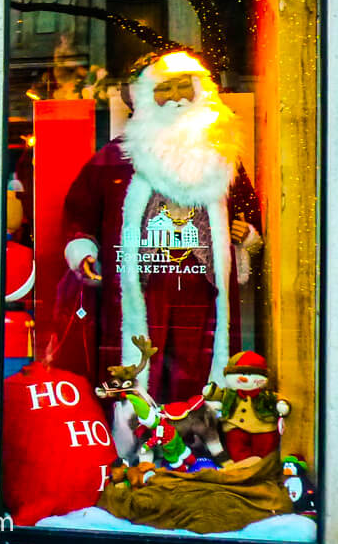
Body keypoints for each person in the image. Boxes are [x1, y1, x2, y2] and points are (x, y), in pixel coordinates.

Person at [61, 50, 263, 403]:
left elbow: (246, 210)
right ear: (145, 97)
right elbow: (80, 211)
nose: (177, 97)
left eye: (185, 86)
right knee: (141, 361)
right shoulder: (115, 158)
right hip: (141, 283)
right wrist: (84, 248)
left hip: (202, 285)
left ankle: (200, 437)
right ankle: (139, 438)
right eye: (165, 88)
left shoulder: (223, 158)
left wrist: (245, 235)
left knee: (197, 365)